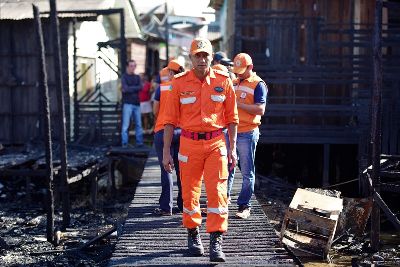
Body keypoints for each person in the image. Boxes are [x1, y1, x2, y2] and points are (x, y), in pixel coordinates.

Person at [162, 38, 238, 262]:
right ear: (191, 58)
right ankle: (193, 235)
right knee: (190, 193)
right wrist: (166, 151)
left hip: (216, 143)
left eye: (206, 55)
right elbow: (168, 120)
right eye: (198, 55)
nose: (202, 59)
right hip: (188, 143)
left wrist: (233, 149)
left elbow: (233, 118)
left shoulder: (224, 81)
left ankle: (216, 240)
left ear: (211, 57)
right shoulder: (178, 83)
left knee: (218, 192)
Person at [227, 53, 268, 219]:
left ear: (250, 67)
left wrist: (239, 105)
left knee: (246, 171)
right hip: (231, 132)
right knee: (226, 168)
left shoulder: (259, 85)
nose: (238, 74)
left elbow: (260, 109)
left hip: (247, 132)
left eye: (241, 71)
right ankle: (223, 200)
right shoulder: (235, 82)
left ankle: (244, 206)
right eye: (236, 71)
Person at [153, 59, 185, 216]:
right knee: (182, 170)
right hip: (182, 132)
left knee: (166, 168)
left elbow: (155, 111)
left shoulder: (162, 88)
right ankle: (183, 204)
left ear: (171, 73)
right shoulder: (185, 88)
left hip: (163, 130)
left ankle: (166, 207)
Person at [121, 60, 144, 147]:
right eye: (131, 66)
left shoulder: (137, 77)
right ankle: (124, 143)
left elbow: (140, 87)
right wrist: (135, 88)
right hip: (127, 104)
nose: (133, 67)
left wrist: (130, 89)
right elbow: (125, 88)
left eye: (134, 66)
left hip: (136, 104)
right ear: (127, 66)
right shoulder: (124, 77)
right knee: (125, 125)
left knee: (139, 124)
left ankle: (139, 142)